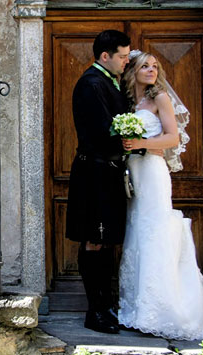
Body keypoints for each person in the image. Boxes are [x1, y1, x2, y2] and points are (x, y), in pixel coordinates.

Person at [118, 50, 203, 340]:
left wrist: (140, 142)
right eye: (144, 66)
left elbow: (172, 137)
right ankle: (137, 308)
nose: (151, 70)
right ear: (133, 70)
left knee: (155, 231)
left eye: (155, 66)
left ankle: (162, 308)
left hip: (152, 171)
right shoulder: (128, 101)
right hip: (133, 172)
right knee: (137, 230)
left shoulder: (160, 98)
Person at [66, 29, 131, 334]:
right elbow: (104, 130)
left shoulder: (109, 81)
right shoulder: (92, 83)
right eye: (123, 56)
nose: (126, 62)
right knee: (94, 240)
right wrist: (135, 137)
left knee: (104, 242)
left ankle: (105, 307)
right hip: (94, 172)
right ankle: (95, 312)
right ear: (105, 56)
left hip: (107, 172)